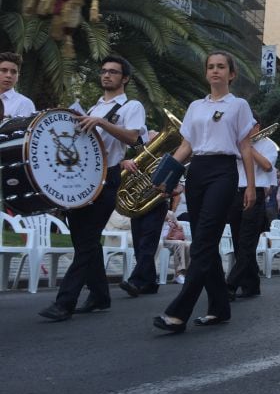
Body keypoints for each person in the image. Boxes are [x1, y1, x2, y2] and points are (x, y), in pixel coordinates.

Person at [153, 51, 256, 333]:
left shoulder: (239, 105)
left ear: (231, 74)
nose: (215, 71)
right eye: (211, 67)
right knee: (203, 242)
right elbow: (186, 146)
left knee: (202, 243)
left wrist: (249, 186)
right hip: (197, 170)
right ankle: (220, 308)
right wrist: (165, 174)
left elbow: (246, 147)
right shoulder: (195, 106)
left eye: (221, 67)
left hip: (223, 172)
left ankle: (178, 313)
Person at [38, 55, 146, 321]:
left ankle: (65, 302)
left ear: (125, 78)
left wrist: (101, 123)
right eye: (104, 71)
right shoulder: (95, 106)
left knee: (86, 242)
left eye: (113, 72)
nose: (106, 75)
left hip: (108, 177)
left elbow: (133, 138)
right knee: (83, 239)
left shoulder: (132, 106)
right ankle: (99, 295)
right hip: (84, 177)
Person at [118, 131, 179, 297]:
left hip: (156, 205)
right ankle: (150, 282)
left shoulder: (169, 159)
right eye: (151, 141)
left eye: (157, 140)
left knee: (147, 244)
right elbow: (120, 165)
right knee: (139, 244)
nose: (154, 143)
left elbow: (178, 186)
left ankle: (135, 281)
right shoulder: (138, 156)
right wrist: (124, 163)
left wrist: (167, 189)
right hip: (137, 204)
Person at [226, 120, 277, 299]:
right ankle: (252, 284)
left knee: (247, 242)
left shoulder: (269, 145)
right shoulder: (236, 143)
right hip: (235, 193)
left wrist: (249, 149)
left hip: (255, 192)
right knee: (239, 241)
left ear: (257, 127)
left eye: (249, 126)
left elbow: (267, 166)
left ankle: (230, 285)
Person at [0, 52, 35, 118]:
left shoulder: (24, 103)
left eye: (13, 72)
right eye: (4, 70)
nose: (9, 75)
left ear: (18, 76)